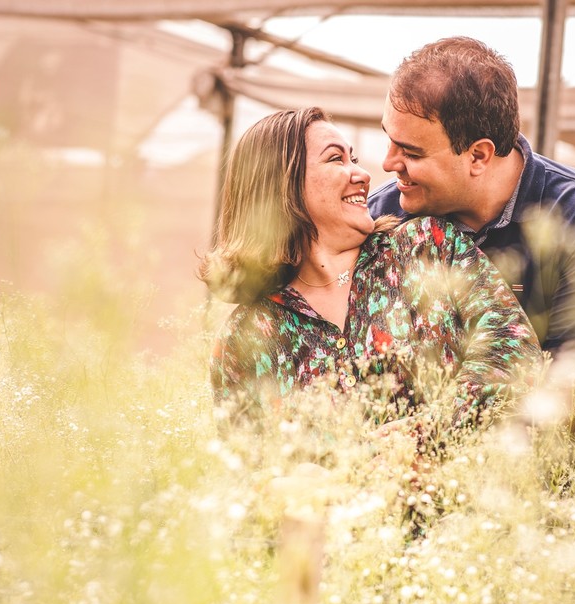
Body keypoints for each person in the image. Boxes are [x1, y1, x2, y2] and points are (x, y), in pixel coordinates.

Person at [202, 107, 542, 439]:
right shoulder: (246, 337)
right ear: (279, 182)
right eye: (337, 159)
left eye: (354, 158)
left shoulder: (428, 247)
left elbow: (513, 350)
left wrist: (424, 433)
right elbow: (251, 471)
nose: (363, 175)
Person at [368, 36, 575, 358]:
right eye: (390, 140)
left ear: (478, 155)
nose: (388, 163)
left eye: (411, 152)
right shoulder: (382, 215)